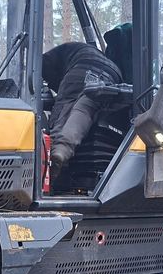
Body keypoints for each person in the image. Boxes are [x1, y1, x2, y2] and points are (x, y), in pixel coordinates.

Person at [42, 42, 122, 176]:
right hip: (113, 74)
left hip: (83, 67)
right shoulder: (82, 50)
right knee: (84, 110)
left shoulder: (42, 62)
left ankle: (52, 164)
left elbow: (58, 86)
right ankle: (62, 150)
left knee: (62, 111)